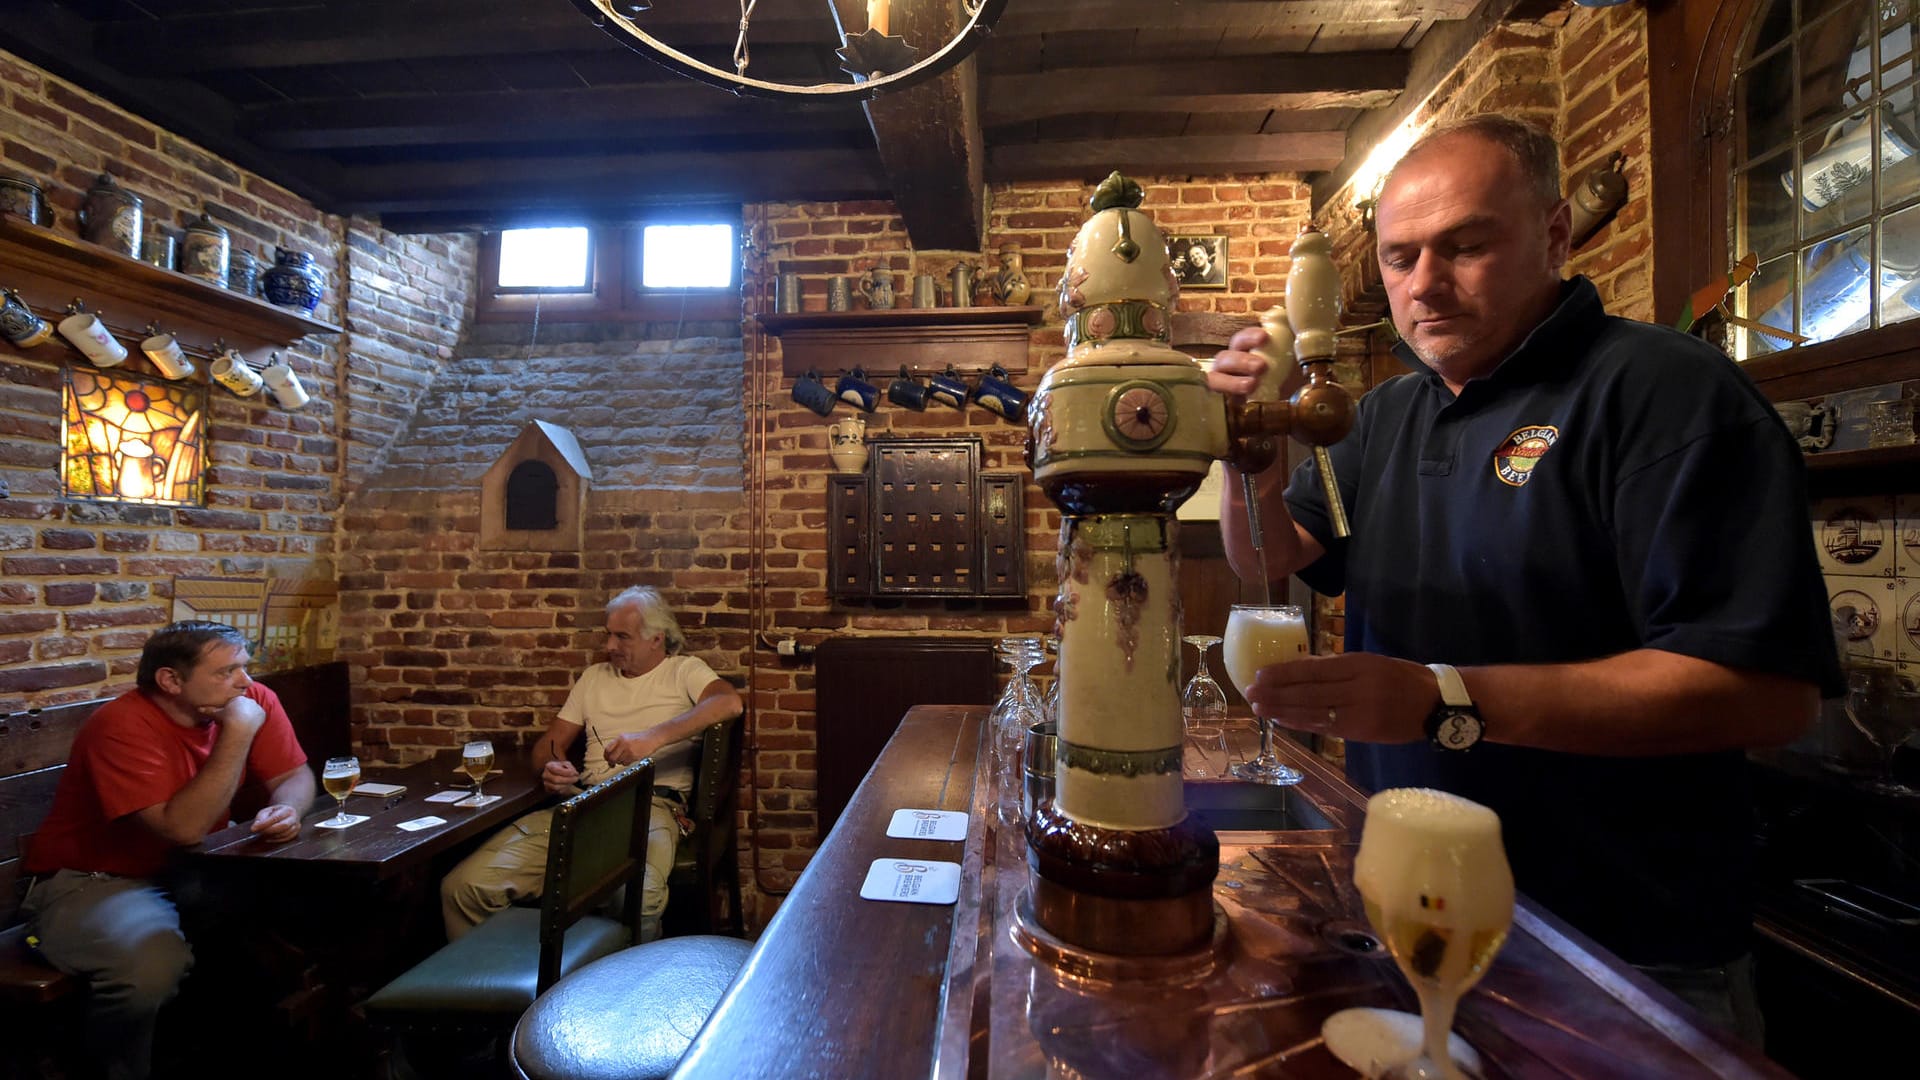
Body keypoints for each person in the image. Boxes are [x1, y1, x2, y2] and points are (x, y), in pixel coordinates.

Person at [1207, 114, 1842, 1041]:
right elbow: (1268, 556)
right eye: (1398, 257)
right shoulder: (1382, 416)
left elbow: (1766, 694)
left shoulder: (1665, 391)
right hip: (1405, 921)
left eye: (1464, 246)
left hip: (1623, 956)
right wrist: (1245, 465)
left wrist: (1442, 699)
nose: (1423, 283)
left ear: (1551, 235)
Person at [21, 621, 315, 1080]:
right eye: (227, 672)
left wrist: (288, 810)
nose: (246, 683)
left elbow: (293, 777)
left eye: (245, 668)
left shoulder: (248, 700)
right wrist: (237, 732)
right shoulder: (120, 725)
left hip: (196, 871)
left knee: (317, 910)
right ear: (171, 681)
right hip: (95, 880)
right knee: (150, 966)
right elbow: (182, 829)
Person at [441, 586, 743, 943]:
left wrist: (651, 738)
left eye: (622, 637)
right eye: (608, 635)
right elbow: (549, 745)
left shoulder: (683, 670)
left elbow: (728, 702)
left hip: (649, 805)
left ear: (656, 640)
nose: (609, 647)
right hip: (581, 803)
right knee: (464, 887)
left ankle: (623, 994)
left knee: (639, 899)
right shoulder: (594, 677)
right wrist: (553, 767)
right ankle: (514, 991)